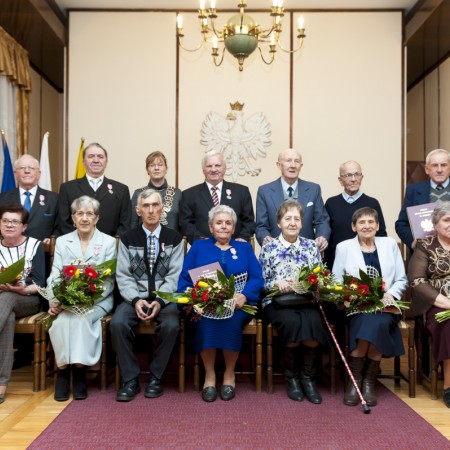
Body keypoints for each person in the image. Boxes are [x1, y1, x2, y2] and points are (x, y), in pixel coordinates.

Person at [178, 204, 263, 402]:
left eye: (228, 223)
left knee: (230, 320)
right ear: (211, 227)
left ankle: (229, 374)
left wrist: (245, 296)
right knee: (205, 320)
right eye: (219, 223)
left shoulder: (244, 248)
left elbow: (257, 277)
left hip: (238, 305)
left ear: (233, 228)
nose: (223, 227)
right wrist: (195, 297)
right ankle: (209, 375)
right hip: (204, 305)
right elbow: (184, 278)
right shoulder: (199, 247)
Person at [110, 189, 183, 402]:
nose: (151, 210)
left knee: (171, 325)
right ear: (138, 210)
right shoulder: (127, 238)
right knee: (118, 324)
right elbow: (123, 275)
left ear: (162, 209)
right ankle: (130, 378)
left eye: (155, 205)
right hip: (134, 298)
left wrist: (160, 301)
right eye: (146, 206)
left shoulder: (174, 238)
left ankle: (156, 376)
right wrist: (136, 300)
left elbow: (174, 275)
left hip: (165, 298)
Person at [333, 207, 408, 407]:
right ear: (354, 227)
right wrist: (352, 296)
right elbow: (336, 282)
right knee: (369, 321)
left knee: (379, 322)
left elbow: (401, 278)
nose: (367, 226)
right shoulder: (344, 247)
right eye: (362, 222)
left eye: (371, 222)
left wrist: (390, 294)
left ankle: (366, 381)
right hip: (357, 307)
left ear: (378, 226)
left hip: (386, 305)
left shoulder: (390, 244)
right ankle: (359, 380)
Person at [47, 196, 117, 402]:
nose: (84, 218)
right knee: (60, 322)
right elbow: (55, 275)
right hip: (65, 302)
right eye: (80, 214)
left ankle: (79, 371)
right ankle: (62, 371)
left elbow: (108, 280)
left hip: (97, 301)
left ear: (97, 218)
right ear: (73, 218)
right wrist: (56, 299)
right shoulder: (62, 241)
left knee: (80, 320)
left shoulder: (108, 242)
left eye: (89, 214)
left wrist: (84, 298)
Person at [259, 199, 329, 404]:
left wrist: (312, 283)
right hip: (277, 301)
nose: (292, 223)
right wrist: (276, 283)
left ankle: (308, 379)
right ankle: (292, 379)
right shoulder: (269, 248)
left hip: (305, 300)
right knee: (291, 323)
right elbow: (262, 280)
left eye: (296, 219)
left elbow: (320, 277)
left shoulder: (310, 246)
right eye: (287, 218)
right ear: (279, 222)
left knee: (314, 323)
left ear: (301, 223)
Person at [0, 204, 45, 404]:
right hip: (3, 303)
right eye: (5, 221)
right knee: (7, 317)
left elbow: (41, 282)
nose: (9, 225)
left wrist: (23, 289)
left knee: (8, 298)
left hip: (28, 298)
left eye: (14, 221)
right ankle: (1, 384)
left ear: (24, 226)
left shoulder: (35, 245)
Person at [408, 201, 450, 408]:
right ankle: (449, 386)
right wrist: (445, 302)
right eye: (446, 220)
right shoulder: (426, 245)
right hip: (437, 305)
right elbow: (417, 281)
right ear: (436, 224)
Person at [255, 148, 330, 251]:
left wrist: (322, 236)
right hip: (277, 251)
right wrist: (265, 238)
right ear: (279, 165)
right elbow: (261, 226)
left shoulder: (314, 189)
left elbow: (322, 221)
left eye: (297, 161)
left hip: (307, 252)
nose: (293, 165)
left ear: (301, 166)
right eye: (288, 160)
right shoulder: (264, 191)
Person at [179, 150, 255, 244]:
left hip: (235, 247)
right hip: (204, 249)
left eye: (217, 165)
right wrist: (201, 239)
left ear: (224, 169)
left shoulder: (241, 192)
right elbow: (185, 224)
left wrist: (242, 238)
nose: (213, 169)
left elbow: (249, 222)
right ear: (203, 170)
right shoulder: (189, 195)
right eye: (209, 166)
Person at [58, 142, 131, 237]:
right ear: (83, 162)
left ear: (106, 162)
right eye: (91, 156)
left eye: (100, 157)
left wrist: (112, 243)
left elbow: (125, 223)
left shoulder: (121, 190)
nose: (96, 160)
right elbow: (63, 221)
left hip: (111, 248)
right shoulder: (67, 188)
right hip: (77, 247)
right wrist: (79, 241)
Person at [324, 160, 387, 268]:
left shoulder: (373, 203)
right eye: (348, 175)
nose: (353, 179)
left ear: (362, 177)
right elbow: (328, 238)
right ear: (340, 180)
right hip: (338, 262)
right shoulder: (331, 203)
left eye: (356, 174)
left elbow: (381, 235)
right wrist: (328, 267)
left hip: (367, 263)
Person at [396, 148, 450, 255]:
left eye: (443, 165)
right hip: (422, 255)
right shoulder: (413, 190)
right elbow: (401, 224)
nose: (439, 170)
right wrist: (413, 242)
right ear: (426, 169)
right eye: (435, 165)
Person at [0, 155, 58, 244]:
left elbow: (60, 226)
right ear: (15, 174)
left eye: (31, 168)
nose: (27, 171)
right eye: (22, 168)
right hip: (9, 252)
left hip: (42, 253)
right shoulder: (2, 198)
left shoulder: (54, 199)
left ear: (39, 173)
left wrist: (52, 239)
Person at [131, 151, 181, 230]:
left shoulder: (177, 193)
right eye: (152, 165)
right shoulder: (138, 193)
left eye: (160, 165)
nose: (156, 168)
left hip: (172, 240)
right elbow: (133, 224)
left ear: (166, 168)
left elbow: (182, 224)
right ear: (147, 170)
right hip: (143, 240)